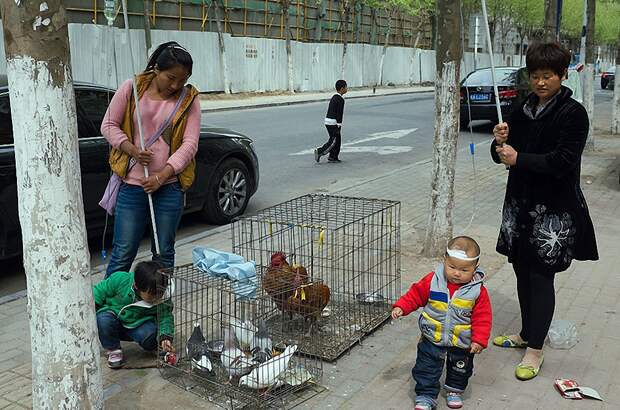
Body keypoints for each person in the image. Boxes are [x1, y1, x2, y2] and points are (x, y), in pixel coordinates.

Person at [491, 42, 598, 381]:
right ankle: (525, 332)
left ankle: (535, 349)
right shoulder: (521, 107)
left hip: (553, 210)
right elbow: (504, 156)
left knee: (540, 277)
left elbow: (563, 162)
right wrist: (499, 143)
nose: (540, 83)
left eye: (547, 76)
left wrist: (519, 159)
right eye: (535, 76)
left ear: (563, 75)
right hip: (520, 205)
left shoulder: (573, 113)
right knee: (521, 269)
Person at [100, 41, 201, 278]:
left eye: (182, 79)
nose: (175, 85)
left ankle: (160, 306)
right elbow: (108, 125)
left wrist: (162, 175)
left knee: (164, 252)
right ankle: (109, 306)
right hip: (132, 186)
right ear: (156, 69)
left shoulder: (189, 99)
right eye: (170, 77)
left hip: (169, 187)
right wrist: (132, 149)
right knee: (123, 252)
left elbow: (190, 144)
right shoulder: (131, 88)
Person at [391, 236, 492, 410]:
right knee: (426, 367)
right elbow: (415, 295)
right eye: (452, 267)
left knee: (460, 368)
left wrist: (479, 340)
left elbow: (483, 317)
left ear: (475, 267)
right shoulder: (433, 281)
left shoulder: (477, 291)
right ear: (444, 260)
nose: (457, 273)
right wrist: (402, 307)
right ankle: (425, 395)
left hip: (461, 341)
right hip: (432, 336)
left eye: (464, 270)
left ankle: (455, 390)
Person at [93, 261, 174, 368]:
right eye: (152, 295)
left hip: (138, 325)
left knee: (151, 334)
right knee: (103, 319)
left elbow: (165, 318)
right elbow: (98, 292)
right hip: (114, 320)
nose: (157, 298)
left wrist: (165, 337)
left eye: (160, 293)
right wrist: (89, 311)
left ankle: (156, 346)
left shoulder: (163, 298)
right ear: (137, 286)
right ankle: (113, 349)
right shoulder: (120, 280)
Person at [314, 79, 347, 163]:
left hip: (328, 121)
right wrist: (339, 125)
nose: (347, 89)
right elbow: (339, 113)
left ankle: (333, 157)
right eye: (346, 87)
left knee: (336, 140)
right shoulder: (340, 99)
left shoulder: (334, 97)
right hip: (333, 122)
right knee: (334, 141)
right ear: (342, 88)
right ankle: (320, 152)